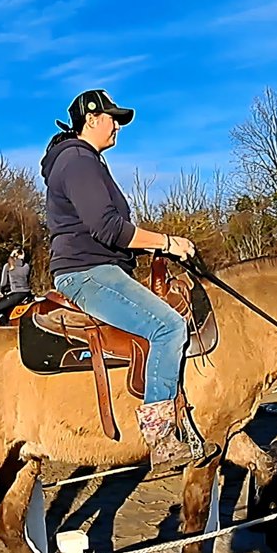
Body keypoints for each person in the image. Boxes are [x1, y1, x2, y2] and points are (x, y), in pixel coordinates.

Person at [39, 88, 216, 469]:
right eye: (113, 118)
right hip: (88, 272)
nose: (117, 125)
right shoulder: (78, 160)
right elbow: (107, 227)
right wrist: (166, 242)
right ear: (91, 119)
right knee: (168, 326)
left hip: (99, 266)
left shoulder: (86, 160)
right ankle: (161, 437)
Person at [0, 247, 32, 324]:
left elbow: (3, 282)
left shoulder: (8, 266)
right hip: (27, 293)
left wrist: (1, 291)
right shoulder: (26, 266)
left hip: (16, 293)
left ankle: (5, 325)